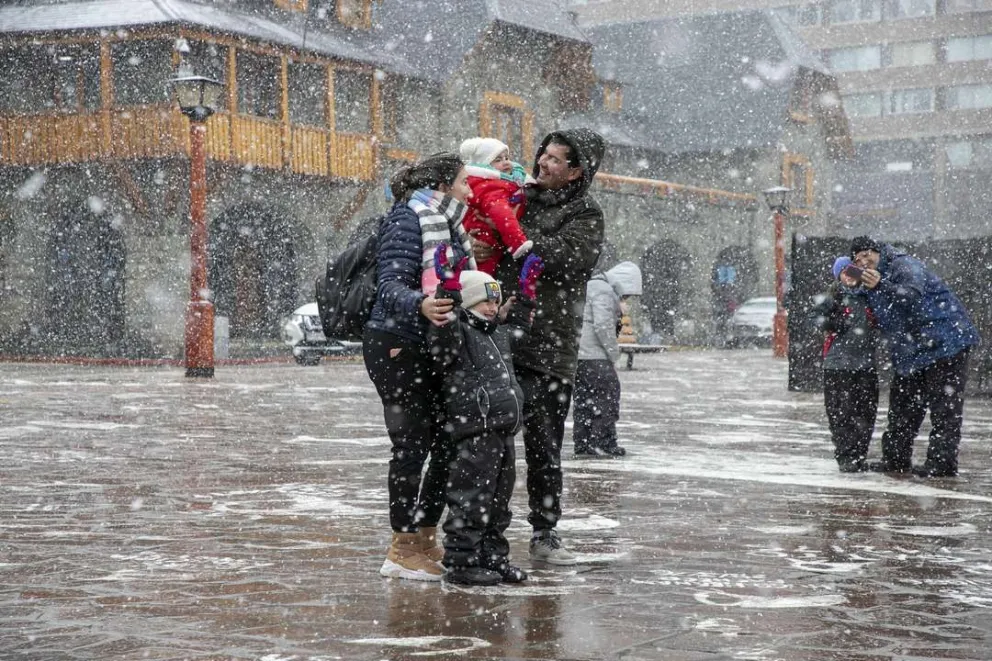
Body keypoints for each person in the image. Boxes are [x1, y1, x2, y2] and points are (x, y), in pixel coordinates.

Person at [483, 128, 606, 565]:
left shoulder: (586, 212)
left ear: (576, 171)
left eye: (556, 159)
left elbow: (572, 258)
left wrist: (521, 240)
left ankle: (545, 531)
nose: (543, 163)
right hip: (499, 335)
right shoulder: (521, 197)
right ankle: (487, 526)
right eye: (543, 154)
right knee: (491, 439)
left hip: (550, 346)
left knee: (544, 445)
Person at [363, 152, 475, 581]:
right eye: (464, 183)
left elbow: (453, 280)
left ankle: (426, 536)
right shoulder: (408, 218)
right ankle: (401, 546)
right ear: (444, 185)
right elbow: (390, 287)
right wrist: (421, 304)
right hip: (397, 342)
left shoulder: (448, 223)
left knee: (446, 441)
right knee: (411, 446)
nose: (469, 191)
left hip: (431, 342)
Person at [427, 245, 544, 586]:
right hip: (475, 427)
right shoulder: (460, 331)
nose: (493, 308)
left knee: (499, 499)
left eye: (496, 301)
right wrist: (447, 291)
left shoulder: (496, 334)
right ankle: (462, 560)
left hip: (502, 428)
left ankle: (493, 555)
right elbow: (443, 340)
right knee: (471, 496)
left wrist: (524, 297)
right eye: (485, 301)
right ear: (466, 303)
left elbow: (518, 333)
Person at [850, 236, 980, 477]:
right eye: (858, 259)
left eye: (867, 254)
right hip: (910, 352)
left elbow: (911, 296)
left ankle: (942, 464)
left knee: (945, 409)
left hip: (944, 343)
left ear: (878, 252)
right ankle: (895, 460)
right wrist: (848, 285)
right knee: (902, 408)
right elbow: (870, 313)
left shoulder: (904, 265)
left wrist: (881, 285)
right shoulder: (868, 283)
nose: (864, 261)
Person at [811, 256, 879, 473]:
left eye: (854, 271)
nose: (850, 277)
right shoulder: (833, 298)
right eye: (845, 272)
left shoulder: (869, 297)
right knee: (841, 413)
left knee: (866, 414)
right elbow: (814, 317)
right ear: (838, 275)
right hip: (838, 367)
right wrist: (832, 322)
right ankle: (846, 456)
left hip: (866, 366)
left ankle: (859, 455)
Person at [573, 261, 643, 458]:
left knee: (584, 400)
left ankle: (584, 442)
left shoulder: (593, 286)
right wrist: (614, 354)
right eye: (627, 294)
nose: (626, 298)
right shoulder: (603, 291)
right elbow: (603, 326)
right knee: (607, 397)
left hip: (581, 355)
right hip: (595, 355)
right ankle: (602, 442)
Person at [459, 137, 534, 274]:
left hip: (488, 241)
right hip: (485, 242)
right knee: (484, 279)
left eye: (507, 157)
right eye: (498, 160)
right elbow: (503, 215)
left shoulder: (503, 182)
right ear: (484, 166)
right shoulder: (491, 186)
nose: (506, 162)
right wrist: (519, 244)